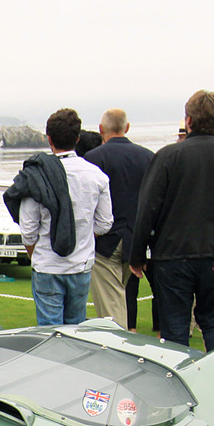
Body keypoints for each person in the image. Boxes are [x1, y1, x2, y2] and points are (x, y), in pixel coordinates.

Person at [129, 90, 214, 352]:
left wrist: (136, 254)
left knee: (175, 324)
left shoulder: (169, 156)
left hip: (174, 253)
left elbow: (147, 208)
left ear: (188, 120)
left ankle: (179, 384)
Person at [12, 108, 113, 326]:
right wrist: (82, 235)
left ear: (49, 138)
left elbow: (28, 230)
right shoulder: (96, 175)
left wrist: (35, 254)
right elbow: (105, 223)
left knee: (50, 334)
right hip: (80, 264)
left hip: (48, 264)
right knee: (74, 331)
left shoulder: (37, 175)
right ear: (77, 138)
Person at [83, 108, 155, 330]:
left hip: (105, 240)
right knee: (119, 296)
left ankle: (121, 349)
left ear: (101, 129)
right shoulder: (148, 157)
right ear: (127, 127)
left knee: (111, 307)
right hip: (136, 239)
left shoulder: (93, 159)